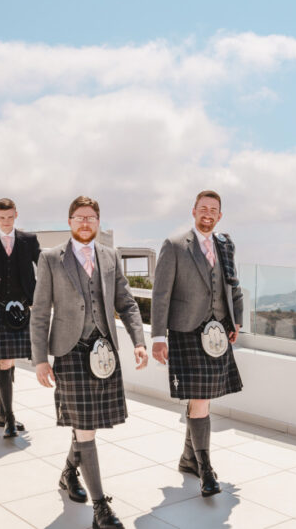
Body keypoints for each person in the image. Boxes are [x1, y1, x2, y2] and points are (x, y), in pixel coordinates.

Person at [31, 196, 148, 529]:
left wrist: (139, 341)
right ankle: (101, 509)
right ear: (70, 221)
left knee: (88, 425)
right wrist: (40, 359)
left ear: (98, 222)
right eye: (80, 217)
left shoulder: (110, 257)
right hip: (70, 352)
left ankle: (70, 473)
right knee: (85, 428)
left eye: (92, 218)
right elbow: (40, 313)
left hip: (105, 354)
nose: (86, 223)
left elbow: (127, 304)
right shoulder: (51, 258)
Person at [151, 190, 243, 497]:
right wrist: (159, 336)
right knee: (202, 397)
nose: (208, 213)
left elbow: (234, 286)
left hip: (218, 334)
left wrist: (236, 320)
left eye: (213, 209)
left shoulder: (226, 245)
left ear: (220, 215)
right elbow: (161, 294)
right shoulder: (175, 245)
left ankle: (189, 459)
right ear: (193, 211)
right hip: (187, 332)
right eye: (203, 208)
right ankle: (206, 470)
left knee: (203, 397)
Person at [0, 198, 41, 437]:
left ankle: (1, 414)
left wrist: (40, 299)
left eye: (10, 217)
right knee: (5, 359)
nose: (6, 221)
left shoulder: (29, 240)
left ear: (16, 215)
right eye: (2, 217)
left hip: (22, 307)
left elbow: (44, 268)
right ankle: (10, 418)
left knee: (11, 358)